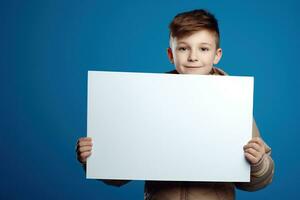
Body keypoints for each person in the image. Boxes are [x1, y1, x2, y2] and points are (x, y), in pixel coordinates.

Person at [76, 9, 274, 200]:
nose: (193, 57)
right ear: (171, 54)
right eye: (183, 48)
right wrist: (95, 159)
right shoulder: (148, 99)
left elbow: (257, 182)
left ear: (217, 54)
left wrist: (258, 163)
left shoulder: (234, 102)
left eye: (203, 48)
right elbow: (119, 176)